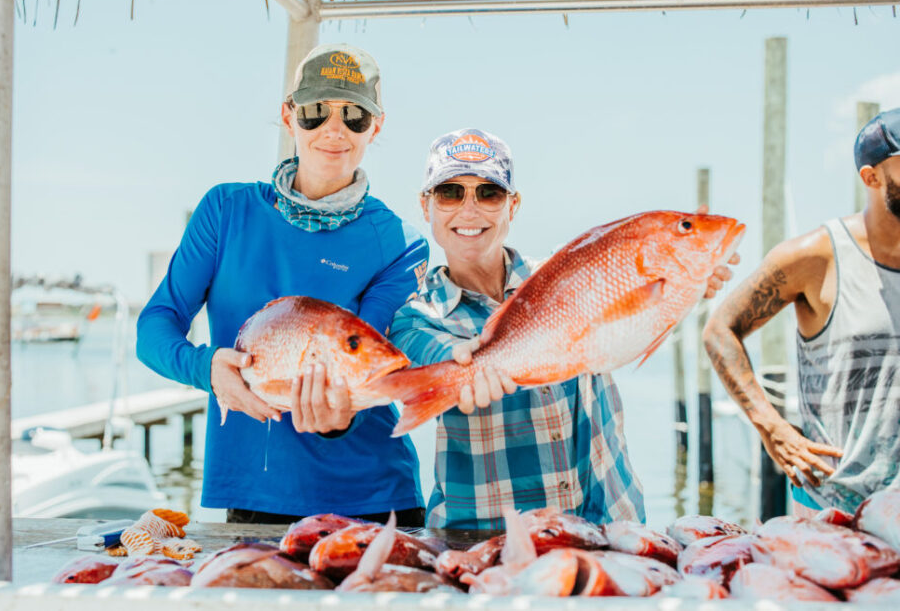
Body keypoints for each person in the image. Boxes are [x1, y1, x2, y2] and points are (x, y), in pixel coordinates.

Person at [137, 43, 429, 525]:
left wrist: (340, 417)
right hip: (254, 494)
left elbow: (369, 366)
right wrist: (204, 367)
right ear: (288, 116)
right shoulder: (225, 211)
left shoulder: (401, 244)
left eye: (354, 116)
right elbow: (155, 325)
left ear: (375, 127)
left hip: (373, 501)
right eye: (316, 111)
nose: (333, 129)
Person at [387, 128, 737, 530]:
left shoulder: (564, 274)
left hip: (612, 525)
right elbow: (438, 356)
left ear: (512, 205)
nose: (470, 209)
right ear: (425, 205)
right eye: (450, 192)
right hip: (487, 543)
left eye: (489, 193)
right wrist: (462, 365)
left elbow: (634, 325)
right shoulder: (415, 317)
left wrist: (687, 290)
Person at [703, 108, 900, 515]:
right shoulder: (816, 257)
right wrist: (770, 426)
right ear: (871, 177)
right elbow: (720, 329)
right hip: (833, 511)